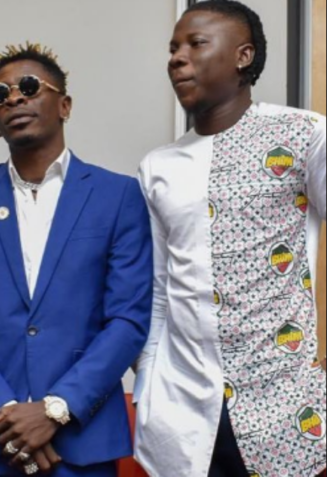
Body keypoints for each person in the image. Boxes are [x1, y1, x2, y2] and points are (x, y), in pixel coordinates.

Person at [0, 42, 153, 477]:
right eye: (0, 94)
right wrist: (4, 413)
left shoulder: (117, 195)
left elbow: (127, 320)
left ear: (64, 105)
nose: (14, 98)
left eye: (29, 87)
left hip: (81, 438)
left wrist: (55, 409)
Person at [134, 2, 327, 476]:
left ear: (244, 56)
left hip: (285, 407)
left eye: (195, 44)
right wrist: (146, 388)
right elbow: (158, 289)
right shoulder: (157, 167)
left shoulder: (303, 134)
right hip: (185, 407)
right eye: (173, 48)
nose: (177, 58)